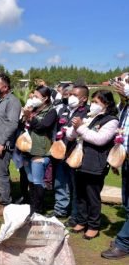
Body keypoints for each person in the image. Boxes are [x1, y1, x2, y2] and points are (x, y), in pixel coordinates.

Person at [67, 90, 118, 240]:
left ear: (106, 104)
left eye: (97, 102)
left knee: (92, 196)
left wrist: (81, 128)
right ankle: (82, 221)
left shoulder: (111, 120)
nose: (93, 104)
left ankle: (93, 225)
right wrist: (74, 128)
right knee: (81, 194)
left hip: (95, 163)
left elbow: (99, 139)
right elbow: (70, 136)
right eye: (93, 101)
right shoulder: (89, 116)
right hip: (80, 161)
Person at [51, 85, 89, 224]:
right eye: (70, 93)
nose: (70, 96)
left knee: (75, 187)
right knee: (60, 183)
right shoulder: (64, 109)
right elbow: (57, 129)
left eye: (74, 94)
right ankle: (60, 210)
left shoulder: (87, 112)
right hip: (61, 152)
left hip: (76, 154)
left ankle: (75, 216)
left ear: (84, 98)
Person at [0, 74, 22, 216]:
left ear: (5, 87)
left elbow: (12, 124)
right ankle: (1, 198)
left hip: (2, 145)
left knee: (1, 175)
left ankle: (6, 205)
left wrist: (2, 143)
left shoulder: (12, 101)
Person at [101, 81, 129, 259]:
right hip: (126, 160)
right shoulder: (125, 108)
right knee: (127, 203)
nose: (122, 86)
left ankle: (123, 243)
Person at [21, 85, 57, 214]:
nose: (33, 98)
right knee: (30, 179)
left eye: (36, 96)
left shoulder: (51, 111)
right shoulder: (33, 109)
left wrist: (30, 117)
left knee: (37, 180)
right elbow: (23, 124)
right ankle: (32, 205)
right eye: (33, 95)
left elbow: (42, 126)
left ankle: (38, 208)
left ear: (45, 98)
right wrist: (25, 114)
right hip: (27, 148)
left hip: (41, 150)